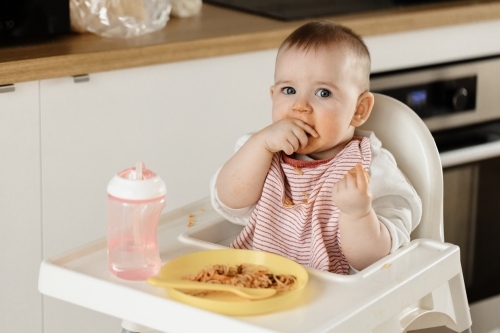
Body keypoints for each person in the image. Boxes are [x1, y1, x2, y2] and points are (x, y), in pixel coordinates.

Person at [210, 21, 422, 274]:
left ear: (358, 109)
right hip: (255, 283)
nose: (300, 106)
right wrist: (261, 144)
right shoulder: (261, 151)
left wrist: (357, 214)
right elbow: (228, 202)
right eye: (288, 90)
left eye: (323, 93)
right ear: (272, 95)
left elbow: (373, 261)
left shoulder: (371, 171)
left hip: (332, 302)